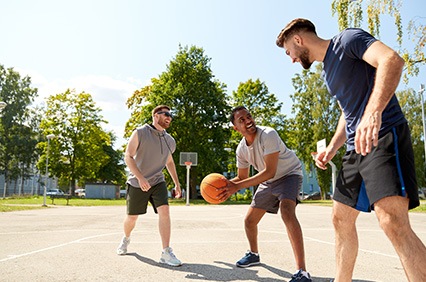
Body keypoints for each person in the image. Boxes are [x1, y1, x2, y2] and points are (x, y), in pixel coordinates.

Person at [276, 18, 426, 281]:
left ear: (298, 40)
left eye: (289, 52)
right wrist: (333, 147)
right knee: (340, 218)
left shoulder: (347, 40)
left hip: (383, 134)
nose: (292, 60)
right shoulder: (328, 72)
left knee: (392, 221)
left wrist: (373, 112)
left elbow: (391, 60)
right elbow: (348, 112)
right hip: (355, 148)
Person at [219, 106, 312, 282]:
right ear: (235, 128)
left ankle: (302, 272)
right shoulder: (241, 150)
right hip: (268, 180)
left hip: (288, 174)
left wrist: (237, 187)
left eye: (249, 116)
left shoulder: (268, 134)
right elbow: (242, 177)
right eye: (242, 120)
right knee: (249, 221)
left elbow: (269, 171)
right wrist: (228, 185)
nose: (248, 121)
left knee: (287, 211)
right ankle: (254, 254)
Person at [116, 105, 183, 267]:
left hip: (157, 181)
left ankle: (166, 252)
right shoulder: (140, 133)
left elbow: (169, 161)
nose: (169, 117)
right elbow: (128, 156)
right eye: (166, 114)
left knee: (165, 211)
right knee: (132, 218)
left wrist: (177, 183)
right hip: (137, 182)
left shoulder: (170, 140)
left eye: (170, 115)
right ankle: (126, 239)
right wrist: (140, 178)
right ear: (155, 116)